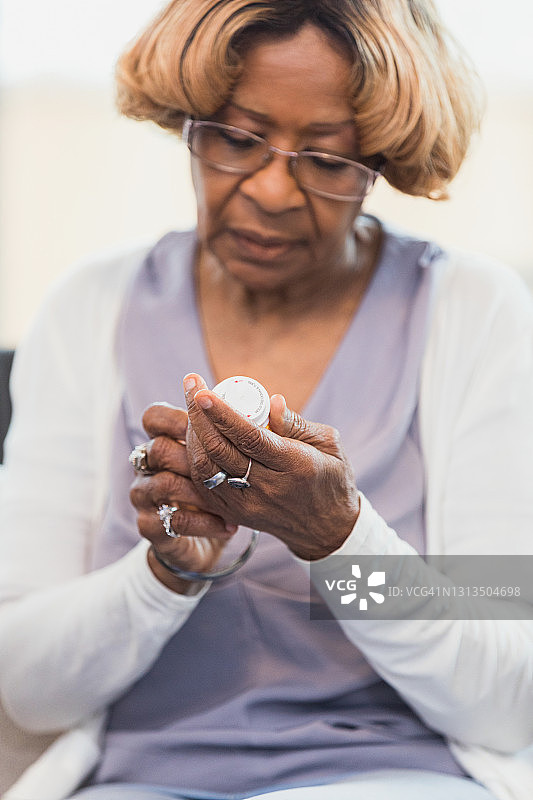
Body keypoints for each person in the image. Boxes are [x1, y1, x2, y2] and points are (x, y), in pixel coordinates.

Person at [1, 1, 533, 798]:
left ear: (384, 159)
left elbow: (504, 705)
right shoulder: (90, 307)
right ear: (189, 122)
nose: (275, 192)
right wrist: (165, 576)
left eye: (326, 161)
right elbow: (28, 688)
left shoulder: (472, 311)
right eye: (238, 140)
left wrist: (341, 541)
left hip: (390, 776)